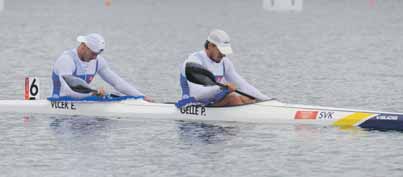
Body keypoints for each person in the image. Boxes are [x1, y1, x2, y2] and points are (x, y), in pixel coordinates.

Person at [180, 29, 270, 106]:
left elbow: (243, 85)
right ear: (210, 46)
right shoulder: (194, 61)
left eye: (225, 51)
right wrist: (221, 88)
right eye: (221, 51)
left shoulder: (224, 62)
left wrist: (267, 100)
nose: (223, 55)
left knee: (249, 99)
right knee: (233, 98)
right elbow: (198, 94)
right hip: (193, 105)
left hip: (212, 102)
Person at [51, 33, 152, 101]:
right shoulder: (66, 60)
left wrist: (141, 97)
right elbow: (67, 91)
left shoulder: (97, 61)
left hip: (82, 106)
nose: (95, 57)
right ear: (83, 46)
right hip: (61, 108)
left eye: (97, 54)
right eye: (93, 53)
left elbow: (117, 82)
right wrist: (94, 93)